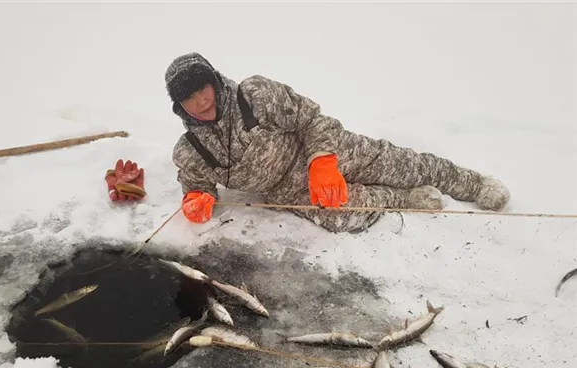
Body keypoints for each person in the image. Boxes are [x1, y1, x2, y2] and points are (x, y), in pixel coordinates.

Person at [112, 52, 511, 233]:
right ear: (178, 106)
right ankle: (404, 199)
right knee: (344, 215)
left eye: (202, 89)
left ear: (213, 81)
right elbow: (197, 183)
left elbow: (311, 118)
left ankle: (472, 183)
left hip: (319, 150)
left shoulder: (256, 93)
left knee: (402, 163)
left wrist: (323, 160)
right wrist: (196, 198)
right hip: (284, 188)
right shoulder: (190, 149)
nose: (200, 101)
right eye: (188, 98)